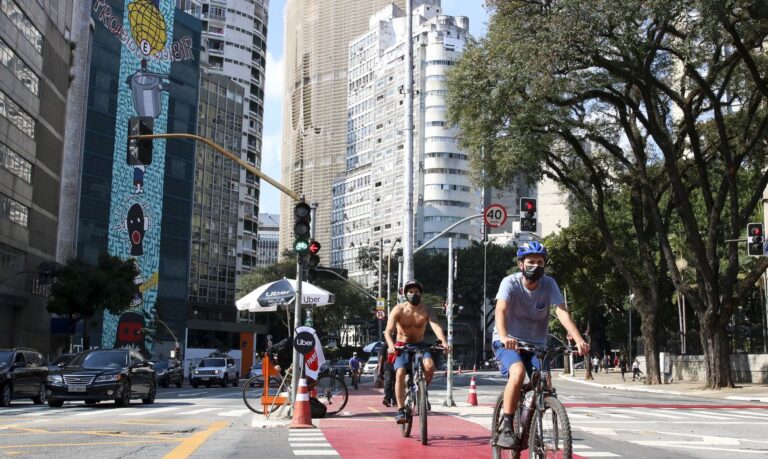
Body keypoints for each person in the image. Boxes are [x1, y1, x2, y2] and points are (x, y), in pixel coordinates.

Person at [492, 241, 589, 450]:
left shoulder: (549, 283)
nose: (535, 266)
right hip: (509, 341)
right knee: (517, 374)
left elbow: (562, 312)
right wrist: (504, 336)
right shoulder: (509, 283)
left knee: (546, 382)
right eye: (530, 262)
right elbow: (500, 310)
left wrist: (579, 339)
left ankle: (536, 418)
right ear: (521, 264)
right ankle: (507, 426)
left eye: (540, 262)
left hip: (537, 344)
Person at [384, 279, 450, 424]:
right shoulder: (398, 309)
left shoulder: (427, 309)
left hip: (420, 345)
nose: (414, 294)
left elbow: (436, 326)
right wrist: (390, 345)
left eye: (417, 292)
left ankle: (422, 392)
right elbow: (388, 331)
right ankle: (401, 410)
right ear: (405, 294)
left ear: (421, 294)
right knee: (400, 372)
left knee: (429, 366)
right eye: (411, 292)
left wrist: (444, 342)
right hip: (402, 346)